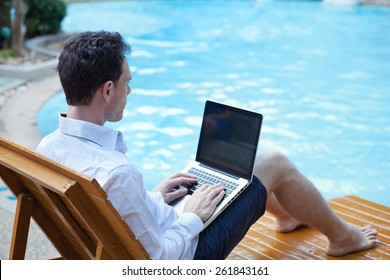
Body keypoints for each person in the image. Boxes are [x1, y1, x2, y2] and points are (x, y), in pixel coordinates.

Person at [36, 31, 377, 260]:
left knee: (214, 175)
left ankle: (287, 215)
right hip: (189, 252)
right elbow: (159, 263)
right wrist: (193, 216)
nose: (130, 91)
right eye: (127, 83)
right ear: (107, 90)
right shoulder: (117, 173)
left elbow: (115, 215)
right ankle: (344, 238)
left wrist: (152, 199)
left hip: (125, 242)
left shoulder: (49, 149)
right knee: (272, 161)